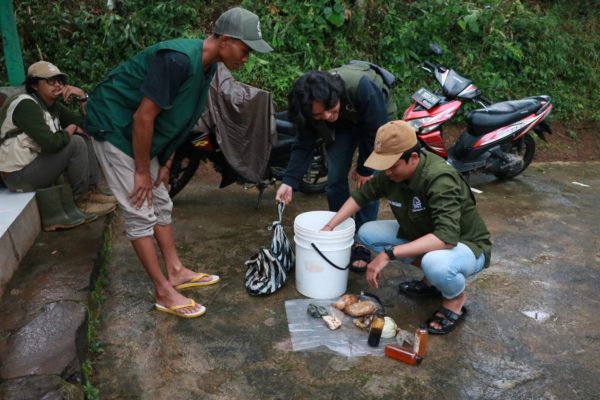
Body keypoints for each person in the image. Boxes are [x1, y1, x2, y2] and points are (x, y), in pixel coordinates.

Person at [84, 7, 273, 318]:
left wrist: (167, 162)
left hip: (145, 136)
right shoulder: (177, 60)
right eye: (245, 49)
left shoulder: (209, 66)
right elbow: (143, 116)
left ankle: (175, 271)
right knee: (139, 208)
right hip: (116, 128)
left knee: (161, 200)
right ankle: (162, 291)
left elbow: (179, 117)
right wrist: (143, 170)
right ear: (225, 40)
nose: (246, 58)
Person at [322, 120, 492, 335]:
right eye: (384, 166)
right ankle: (432, 281)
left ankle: (455, 298)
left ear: (413, 158)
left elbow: (446, 237)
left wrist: (388, 254)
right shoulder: (392, 173)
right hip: (425, 233)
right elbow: (361, 196)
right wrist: (329, 226)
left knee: (435, 263)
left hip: (466, 244)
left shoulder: (440, 179)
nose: (388, 172)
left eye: (393, 166)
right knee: (366, 233)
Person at [275, 62, 397, 272]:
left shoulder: (360, 87)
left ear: (335, 97)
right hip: (345, 125)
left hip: (377, 121)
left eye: (330, 110)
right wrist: (289, 181)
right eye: (319, 116)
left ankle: (362, 243)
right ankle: (341, 233)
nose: (326, 117)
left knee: (367, 184)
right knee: (335, 179)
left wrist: (365, 169)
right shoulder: (312, 108)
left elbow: (376, 131)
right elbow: (303, 144)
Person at [0, 61, 117, 227]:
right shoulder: (26, 105)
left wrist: (83, 97)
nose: (57, 85)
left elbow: (87, 126)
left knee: (83, 135)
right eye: (50, 81)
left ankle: (91, 191)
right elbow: (51, 144)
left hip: (33, 165)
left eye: (60, 81)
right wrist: (70, 129)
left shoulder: (52, 105)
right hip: (17, 176)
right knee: (75, 141)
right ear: (34, 85)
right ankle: (81, 201)